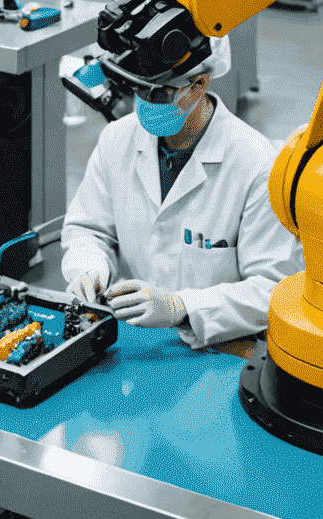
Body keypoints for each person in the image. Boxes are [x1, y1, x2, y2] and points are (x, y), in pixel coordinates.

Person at [60, 39, 302, 348]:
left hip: (217, 346)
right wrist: (89, 268)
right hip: (132, 338)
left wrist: (181, 307)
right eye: (140, 89)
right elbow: (88, 229)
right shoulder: (117, 138)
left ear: (199, 84)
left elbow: (273, 287)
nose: (146, 103)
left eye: (160, 93)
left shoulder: (256, 164)